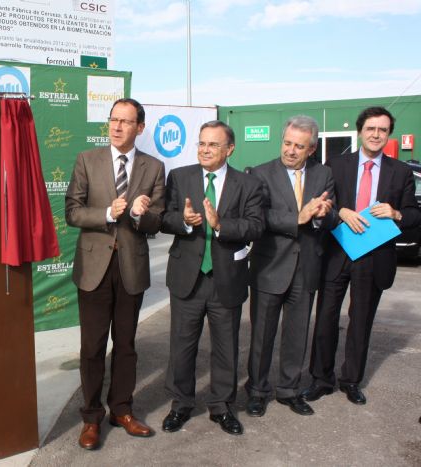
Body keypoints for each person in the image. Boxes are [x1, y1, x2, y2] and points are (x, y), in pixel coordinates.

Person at [65, 98, 165, 450]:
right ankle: (91, 417)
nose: (117, 126)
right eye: (113, 120)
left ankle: (121, 409)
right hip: (94, 267)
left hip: (130, 269)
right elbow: (72, 212)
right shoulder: (86, 160)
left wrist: (140, 214)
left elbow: (159, 219)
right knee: (92, 347)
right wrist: (108, 212)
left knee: (126, 345)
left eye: (126, 121)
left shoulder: (154, 167)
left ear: (140, 127)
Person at [303, 107, 421, 405]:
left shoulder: (401, 171)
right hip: (337, 250)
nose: (376, 134)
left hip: (374, 254)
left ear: (388, 134)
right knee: (326, 317)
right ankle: (321, 378)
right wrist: (340, 210)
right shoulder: (336, 164)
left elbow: (413, 214)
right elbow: (324, 201)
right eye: (371, 128)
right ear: (360, 131)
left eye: (382, 130)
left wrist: (395, 213)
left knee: (361, 320)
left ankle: (351, 380)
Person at [160, 120, 264, 436]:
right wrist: (185, 221)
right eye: (202, 143)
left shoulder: (248, 185)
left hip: (226, 279)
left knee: (225, 347)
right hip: (186, 278)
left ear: (229, 149)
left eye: (213, 144)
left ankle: (221, 407)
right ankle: (181, 405)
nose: (205, 149)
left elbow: (256, 226)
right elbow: (164, 218)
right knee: (182, 346)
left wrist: (221, 225)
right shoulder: (180, 177)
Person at [245, 116, 335, 418]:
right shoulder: (259, 174)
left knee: (297, 334)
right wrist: (298, 217)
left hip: (306, 267)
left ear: (311, 149)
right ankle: (257, 391)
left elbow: (328, 218)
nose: (291, 150)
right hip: (269, 266)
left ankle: (289, 390)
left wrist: (322, 214)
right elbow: (259, 218)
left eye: (299, 146)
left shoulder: (324, 175)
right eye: (287, 143)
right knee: (262, 335)